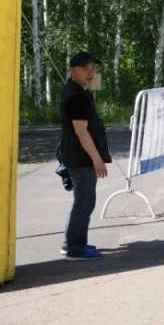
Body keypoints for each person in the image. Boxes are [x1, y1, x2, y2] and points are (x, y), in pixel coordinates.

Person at [58, 51, 112, 261]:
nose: (90, 73)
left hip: (78, 156)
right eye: (85, 68)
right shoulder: (76, 96)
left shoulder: (78, 91)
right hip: (81, 158)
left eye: (93, 69)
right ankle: (74, 247)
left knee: (83, 200)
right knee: (84, 201)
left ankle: (74, 242)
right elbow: (81, 131)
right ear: (72, 70)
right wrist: (97, 159)